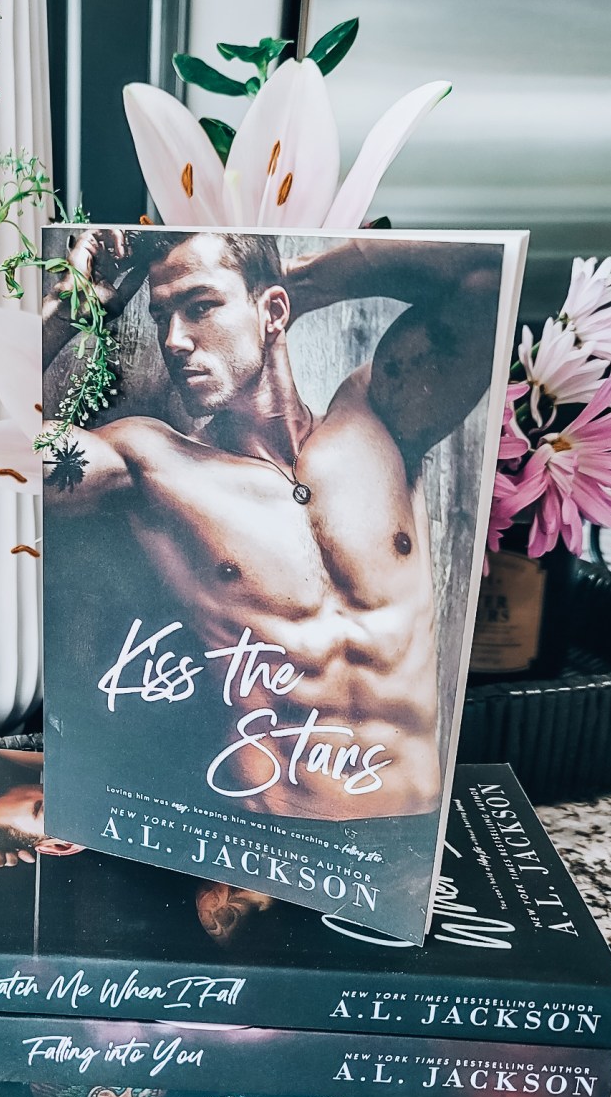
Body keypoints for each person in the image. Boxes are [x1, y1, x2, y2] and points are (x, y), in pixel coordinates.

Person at [41, 228, 500, 828]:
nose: (174, 339)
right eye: (162, 317)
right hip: (264, 841)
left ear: (273, 311)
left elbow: (486, 277)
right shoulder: (153, 465)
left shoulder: (382, 418)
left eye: (201, 306)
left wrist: (301, 282)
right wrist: (69, 308)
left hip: (412, 833)